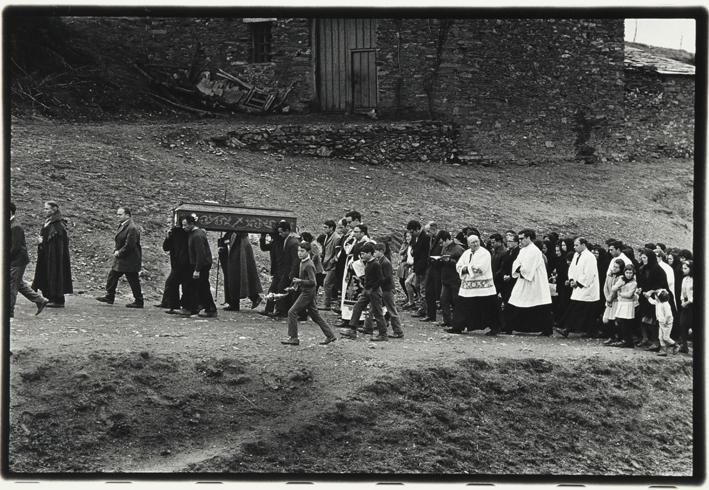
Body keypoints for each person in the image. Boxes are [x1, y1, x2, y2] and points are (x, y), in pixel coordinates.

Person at [280, 242, 337, 346]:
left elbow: (313, 282)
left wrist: (299, 281)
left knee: (291, 312)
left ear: (308, 252)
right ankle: (330, 335)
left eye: (302, 251)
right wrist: (295, 286)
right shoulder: (303, 262)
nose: (299, 253)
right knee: (315, 316)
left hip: (308, 293)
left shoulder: (309, 264)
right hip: (306, 292)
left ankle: (293, 338)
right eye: (298, 251)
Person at [447, 234, 499, 335]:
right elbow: (459, 265)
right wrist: (464, 269)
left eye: (476, 241)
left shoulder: (485, 253)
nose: (475, 244)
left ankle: (495, 328)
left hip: (483, 287)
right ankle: (458, 326)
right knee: (462, 307)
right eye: (472, 242)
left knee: (488, 308)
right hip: (467, 287)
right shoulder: (466, 253)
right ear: (468, 244)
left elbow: (481, 268)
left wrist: (467, 268)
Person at [506, 229, 553, 336]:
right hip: (523, 280)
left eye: (522, 238)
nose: (520, 241)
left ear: (528, 238)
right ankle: (509, 326)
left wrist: (519, 269)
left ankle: (546, 329)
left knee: (538, 304)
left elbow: (527, 268)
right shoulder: (523, 250)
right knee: (515, 300)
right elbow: (516, 263)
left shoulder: (534, 251)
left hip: (535, 282)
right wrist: (518, 268)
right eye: (519, 239)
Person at [96, 207, 143, 308]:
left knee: (132, 279)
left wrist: (119, 252)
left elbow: (130, 245)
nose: (118, 216)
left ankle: (139, 301)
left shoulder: (132, 228)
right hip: (124, 258)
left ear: (127, 215)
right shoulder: (124, 225)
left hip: (129, 259)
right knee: (113, 276)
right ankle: (110, 296)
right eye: (117, 214)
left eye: (120, 214)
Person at [340, 242, 388, 341]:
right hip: (367, 290)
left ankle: (383, 334)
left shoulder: (375, 264)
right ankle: (352, 329)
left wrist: (372, 288)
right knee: (357, 307)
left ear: (370, 253)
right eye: (361, 254)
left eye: (364, 254)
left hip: (374, 291)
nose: (362, 256)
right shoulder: (368, 263)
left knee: (378, 312)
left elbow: (381, 279)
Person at [9, 202, 49, 318]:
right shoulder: (10, 224)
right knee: (18, 283)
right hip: (15, 260)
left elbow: (14, 248)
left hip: (17, 261)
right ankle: (40, 300)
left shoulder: (15, 226)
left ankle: (9, 312)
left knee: (11, 286)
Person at [32, 200, 72, 307]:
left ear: (54, 209)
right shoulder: (49, 221)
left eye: (47, 208)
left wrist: (43, 241)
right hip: (47, 254)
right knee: (46, 273)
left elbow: (57, 243)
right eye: (44, 208)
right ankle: (49, 297)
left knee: (55, 273)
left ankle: (58, 300)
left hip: (55, 256)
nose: (44, 211)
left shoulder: (58, 224)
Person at [557, 237, 599, 338]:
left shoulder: (590, 257)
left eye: (577, 245)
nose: (574, 247)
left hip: (587, 287)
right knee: (577, 309)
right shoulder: (576, 255)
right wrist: (571, 280)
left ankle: (568, 329)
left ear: (583, 245)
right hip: (577, 287)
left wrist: (579, 283)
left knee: (580, 309)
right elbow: (572, 269)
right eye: (574, 245)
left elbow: (589, 273)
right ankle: (570, 328)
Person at [363, 243, 405, 338]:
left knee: (391, 310)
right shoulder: (380, 261)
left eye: (376, 251)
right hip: (382, 289)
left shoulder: (385, 262)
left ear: (381, 251)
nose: (374, 253)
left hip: (386, 289)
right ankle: (368, 327)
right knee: (373, 308)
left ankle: (398, 331)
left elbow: (387, 278)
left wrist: (378, 282)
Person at [180, 215, 217, 317]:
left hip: (202, 265)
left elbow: (201, 254)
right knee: (196, 287)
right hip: (198, 264)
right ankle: (195, 308)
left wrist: (197, 269)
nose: (183, 227)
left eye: (185, 225)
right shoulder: (193, 233)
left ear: (192, 224)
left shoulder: (197, 235)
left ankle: (210, 309)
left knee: (203, 287)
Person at [219, 231, 262, 311]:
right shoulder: (234, 234)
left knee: (238, 277)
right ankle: (235, 303)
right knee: (235, 278)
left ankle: (239, 302)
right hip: (234, 254)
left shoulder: (241, 237)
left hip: (237, 255)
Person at [158, 221, 191, 314]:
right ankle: (175, 305)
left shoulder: (182, 233)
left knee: (174, 283)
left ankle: (177, 306)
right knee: (175, 284)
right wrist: (168, 237)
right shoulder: (176, 232)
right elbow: (166, 247)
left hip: (181, 264)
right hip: (179, 264)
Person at [273, 221, 300, 318]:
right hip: (286, 269)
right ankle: (283, 310)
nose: (280, 234)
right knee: (283, 288)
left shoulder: (293, 242)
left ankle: (282, 311)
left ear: (287, 231)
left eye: (281, 232)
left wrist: (292, 272)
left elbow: (295, 259)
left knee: (282, 288)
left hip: (289, 270)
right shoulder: (289, 240)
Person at [438, 230, 464, 328]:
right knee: (443, 299)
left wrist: (450, 261)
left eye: (442, 242)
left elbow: (462, 264)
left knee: (456, 301)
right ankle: (447, 320)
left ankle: (457, 322)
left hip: (455, 279)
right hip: (445, 278)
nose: (441, 244)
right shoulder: (444, 249)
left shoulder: (458, 249)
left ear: (447, 239)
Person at [258, 223, 285, 317]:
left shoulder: (280, 242)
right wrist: (262, 237)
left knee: (276, 290)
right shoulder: (275, 242)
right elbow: (264, 247)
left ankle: (277, 310)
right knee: (274, 290)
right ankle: (270, 310)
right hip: (278, 270)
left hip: (281, 270)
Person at [610, 264, 638, 348]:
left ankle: (629, 341)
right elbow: (613, 288)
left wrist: (620, 294)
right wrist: (620, 285)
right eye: (627, 272)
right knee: (620, 321)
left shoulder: (633, 282)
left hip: (628, 304)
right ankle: (624, 339)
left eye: (630, 273)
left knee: (627, 323)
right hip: (621, 303)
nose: (628, 275)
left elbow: (629, 294)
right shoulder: (621, 280)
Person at [407, 220, 430, 318]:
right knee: (417, 287)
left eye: (412, 232)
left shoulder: (425, 238)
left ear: (417, 229)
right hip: (417, 267)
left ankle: (424, 309)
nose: (412, 234)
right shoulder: (416, 238)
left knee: (422, 289)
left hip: (423, 268)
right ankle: (421, 307)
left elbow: (424, 255)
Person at [602, 258, 626, 344]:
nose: (614, 269)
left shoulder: (621, 278)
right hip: (609, 300)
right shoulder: (610, 276)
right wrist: (607, 298)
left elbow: (615, 290)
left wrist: (610, 298)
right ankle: (611, 336)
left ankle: (618, 338)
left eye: (617, 267)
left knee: (615, 320)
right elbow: (605, 287)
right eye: (614, 267)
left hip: (616, 301)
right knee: (606, 319)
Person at [648, 289, 677, 356]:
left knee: (666, 337)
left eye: (656, 296)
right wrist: (648, 297)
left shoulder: (665, 305)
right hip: (661, 322)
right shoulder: (658, 302)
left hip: (666, 323)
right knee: (660, 337)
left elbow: (668, 315)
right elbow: (652, 302)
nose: (655, 297)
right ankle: (663, 351)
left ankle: (676, 345)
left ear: (659, 298)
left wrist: (665, 322)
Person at [320, 219, 342, 311]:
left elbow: (337, 253)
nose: (324, 229)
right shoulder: (327, 236)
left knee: (327, 283)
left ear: (331, 228)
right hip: (327, 263)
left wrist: (332, 261)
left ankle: (327, 304)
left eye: (326, 227)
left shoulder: (336, 238)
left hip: (332, 265)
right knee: (327, 283)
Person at [678, 260, 693, 353]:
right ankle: (684, 346)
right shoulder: (684, 279)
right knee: (682, 324)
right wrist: (683, 301)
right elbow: (682, 292)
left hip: (693, 305)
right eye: (683, 268)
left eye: (685, 268)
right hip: (685, 304)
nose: (683, 270)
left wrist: (688, 302)